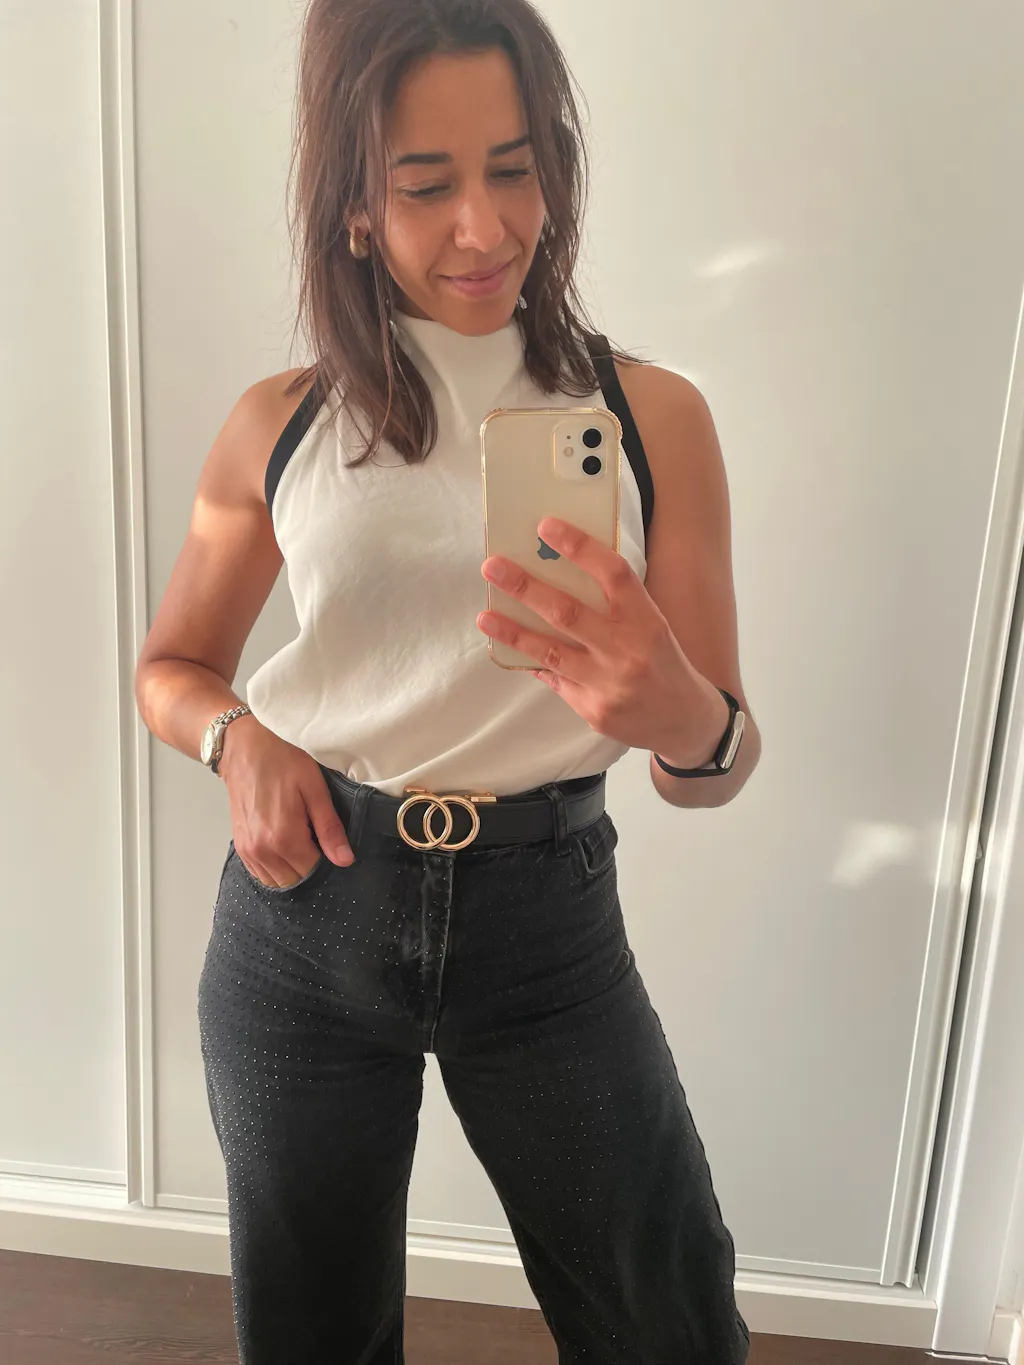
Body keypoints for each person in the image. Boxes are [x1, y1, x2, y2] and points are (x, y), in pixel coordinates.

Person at [135, 0, 761, 1360]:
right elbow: (171, 669)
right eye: (425, 186)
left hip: (549, 926)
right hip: (304, 919)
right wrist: (239, 739)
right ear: (356, 209)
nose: (483, 227)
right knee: (312, 1331)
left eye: (514, 168)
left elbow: (715, 766)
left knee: (665, 1314)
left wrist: (679, 717)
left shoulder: (652, 420)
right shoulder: (281, 424)